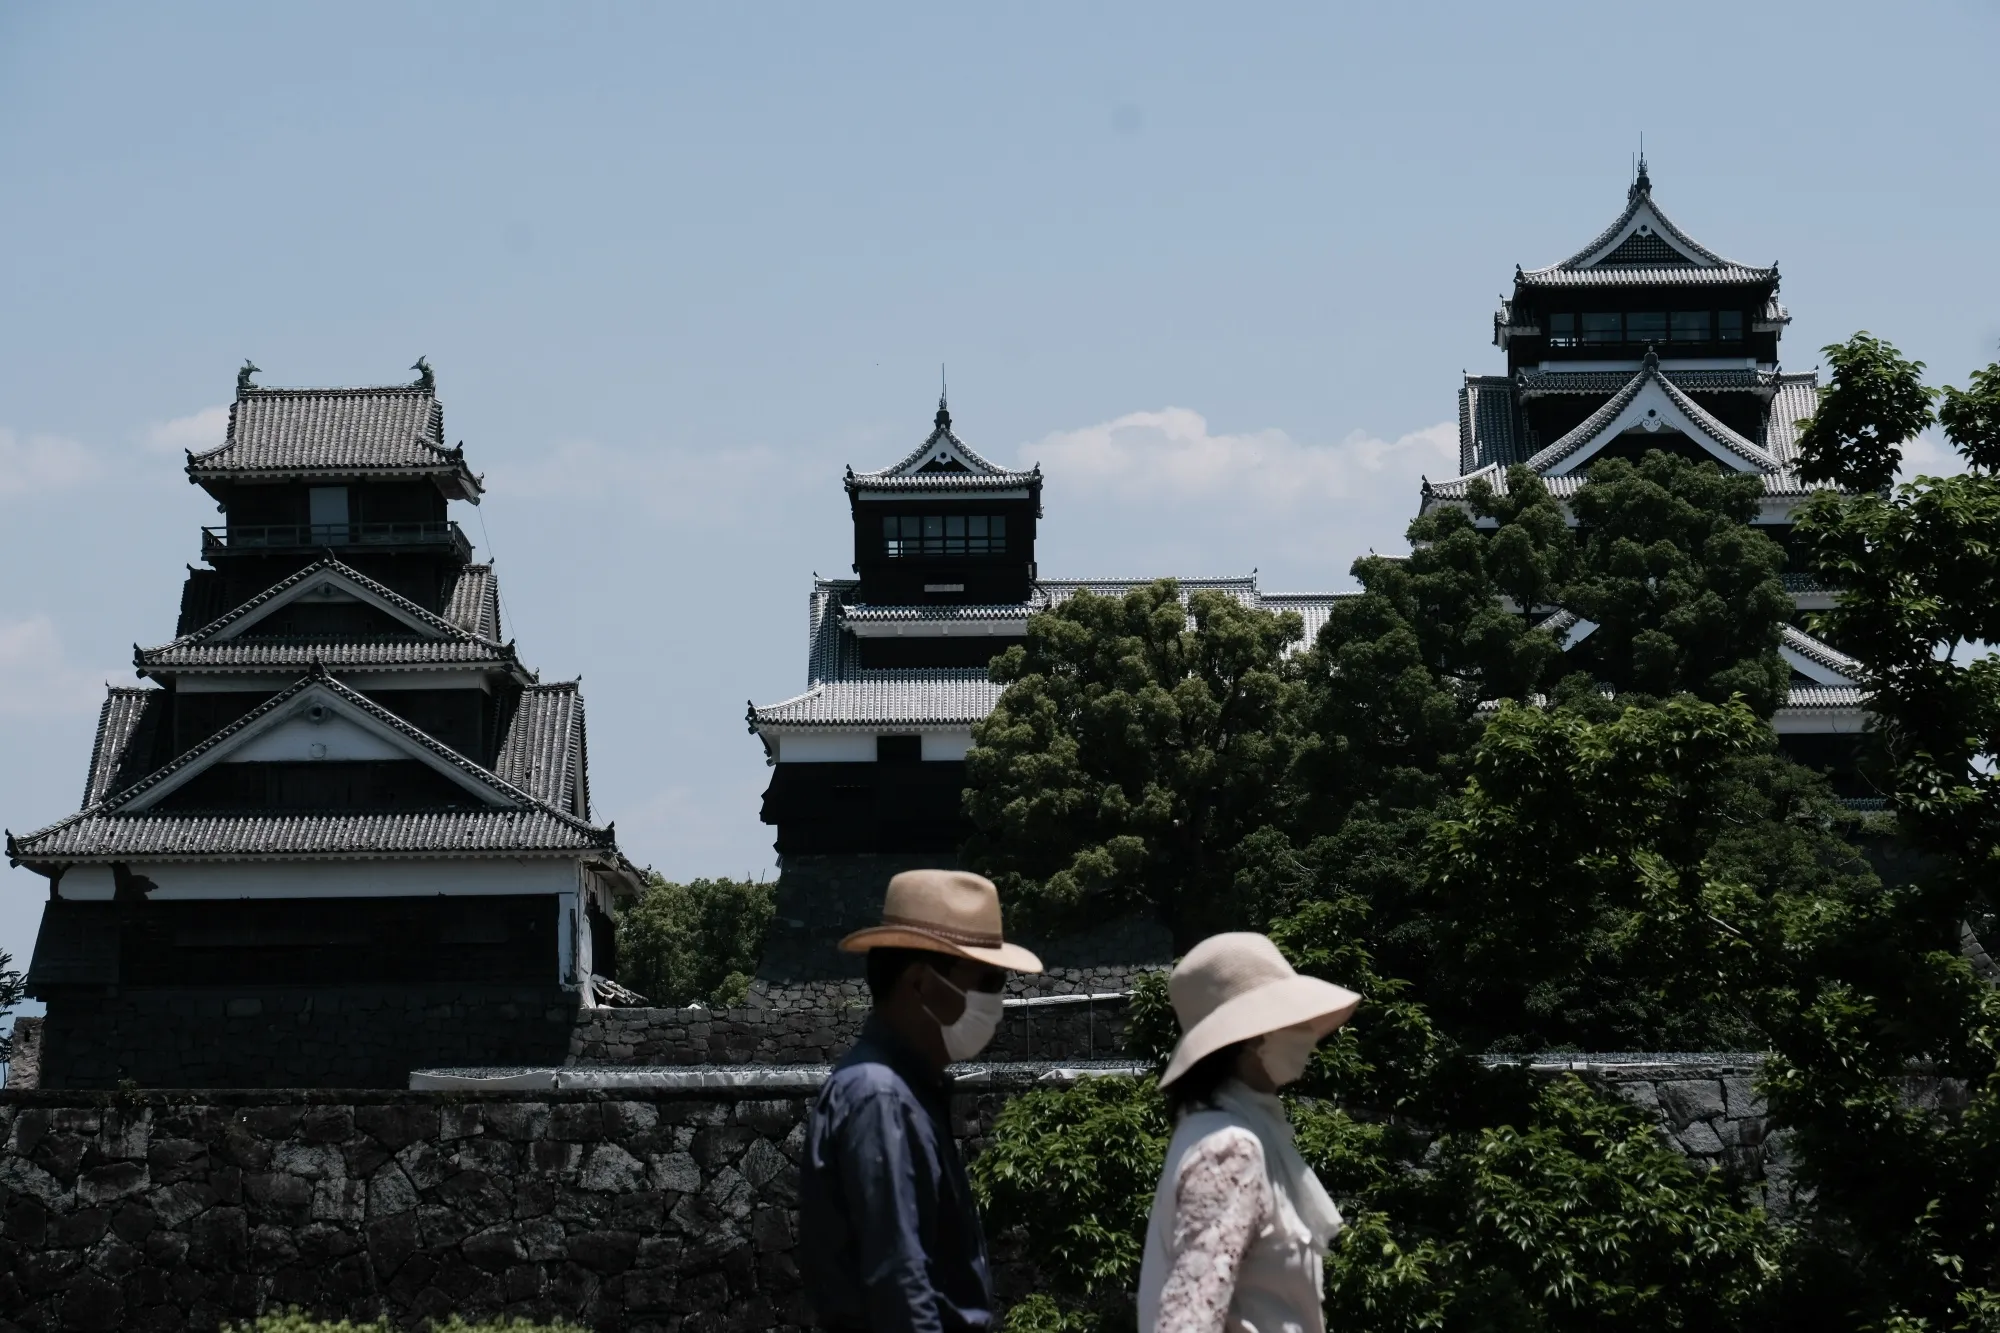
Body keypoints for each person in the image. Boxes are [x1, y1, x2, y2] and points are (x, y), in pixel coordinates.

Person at [799, 869, 1044, 1333]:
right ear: (921, 984)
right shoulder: (882, 1098)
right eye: (988, 980)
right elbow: (901, 1286)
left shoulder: (902, 1089)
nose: (997, 1000)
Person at [1138, 932, 1363, 1333]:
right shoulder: (1229, 1148)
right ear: (1250, 1038)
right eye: (1290, 1019)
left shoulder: (1218, 1130)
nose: (1307, 1034)